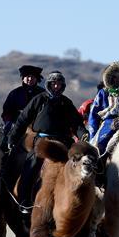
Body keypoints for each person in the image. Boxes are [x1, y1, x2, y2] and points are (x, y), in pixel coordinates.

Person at [7, 71, 84, 210]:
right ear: (49, 84)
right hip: (42, 140)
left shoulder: (66, 102)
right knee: (31, 165)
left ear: (63, 86)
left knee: (78, 165)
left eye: (59, 84)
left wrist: (84, 135)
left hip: (64, 141)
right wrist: (12, 137)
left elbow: (77, 123)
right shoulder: (39, 99)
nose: (56, 86)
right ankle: (24, 200)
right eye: (53, 83)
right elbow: (22, 120)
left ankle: (80, 202)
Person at [1, 65, 44, 136]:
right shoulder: (14, 93)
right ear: (23, 78)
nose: (30, 79)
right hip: (17, 125)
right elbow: (7, 111)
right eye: (27, 76)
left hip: (39, 126)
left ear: (37, 79)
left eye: (33, 77)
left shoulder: (43, 94)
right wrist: (9, 122)